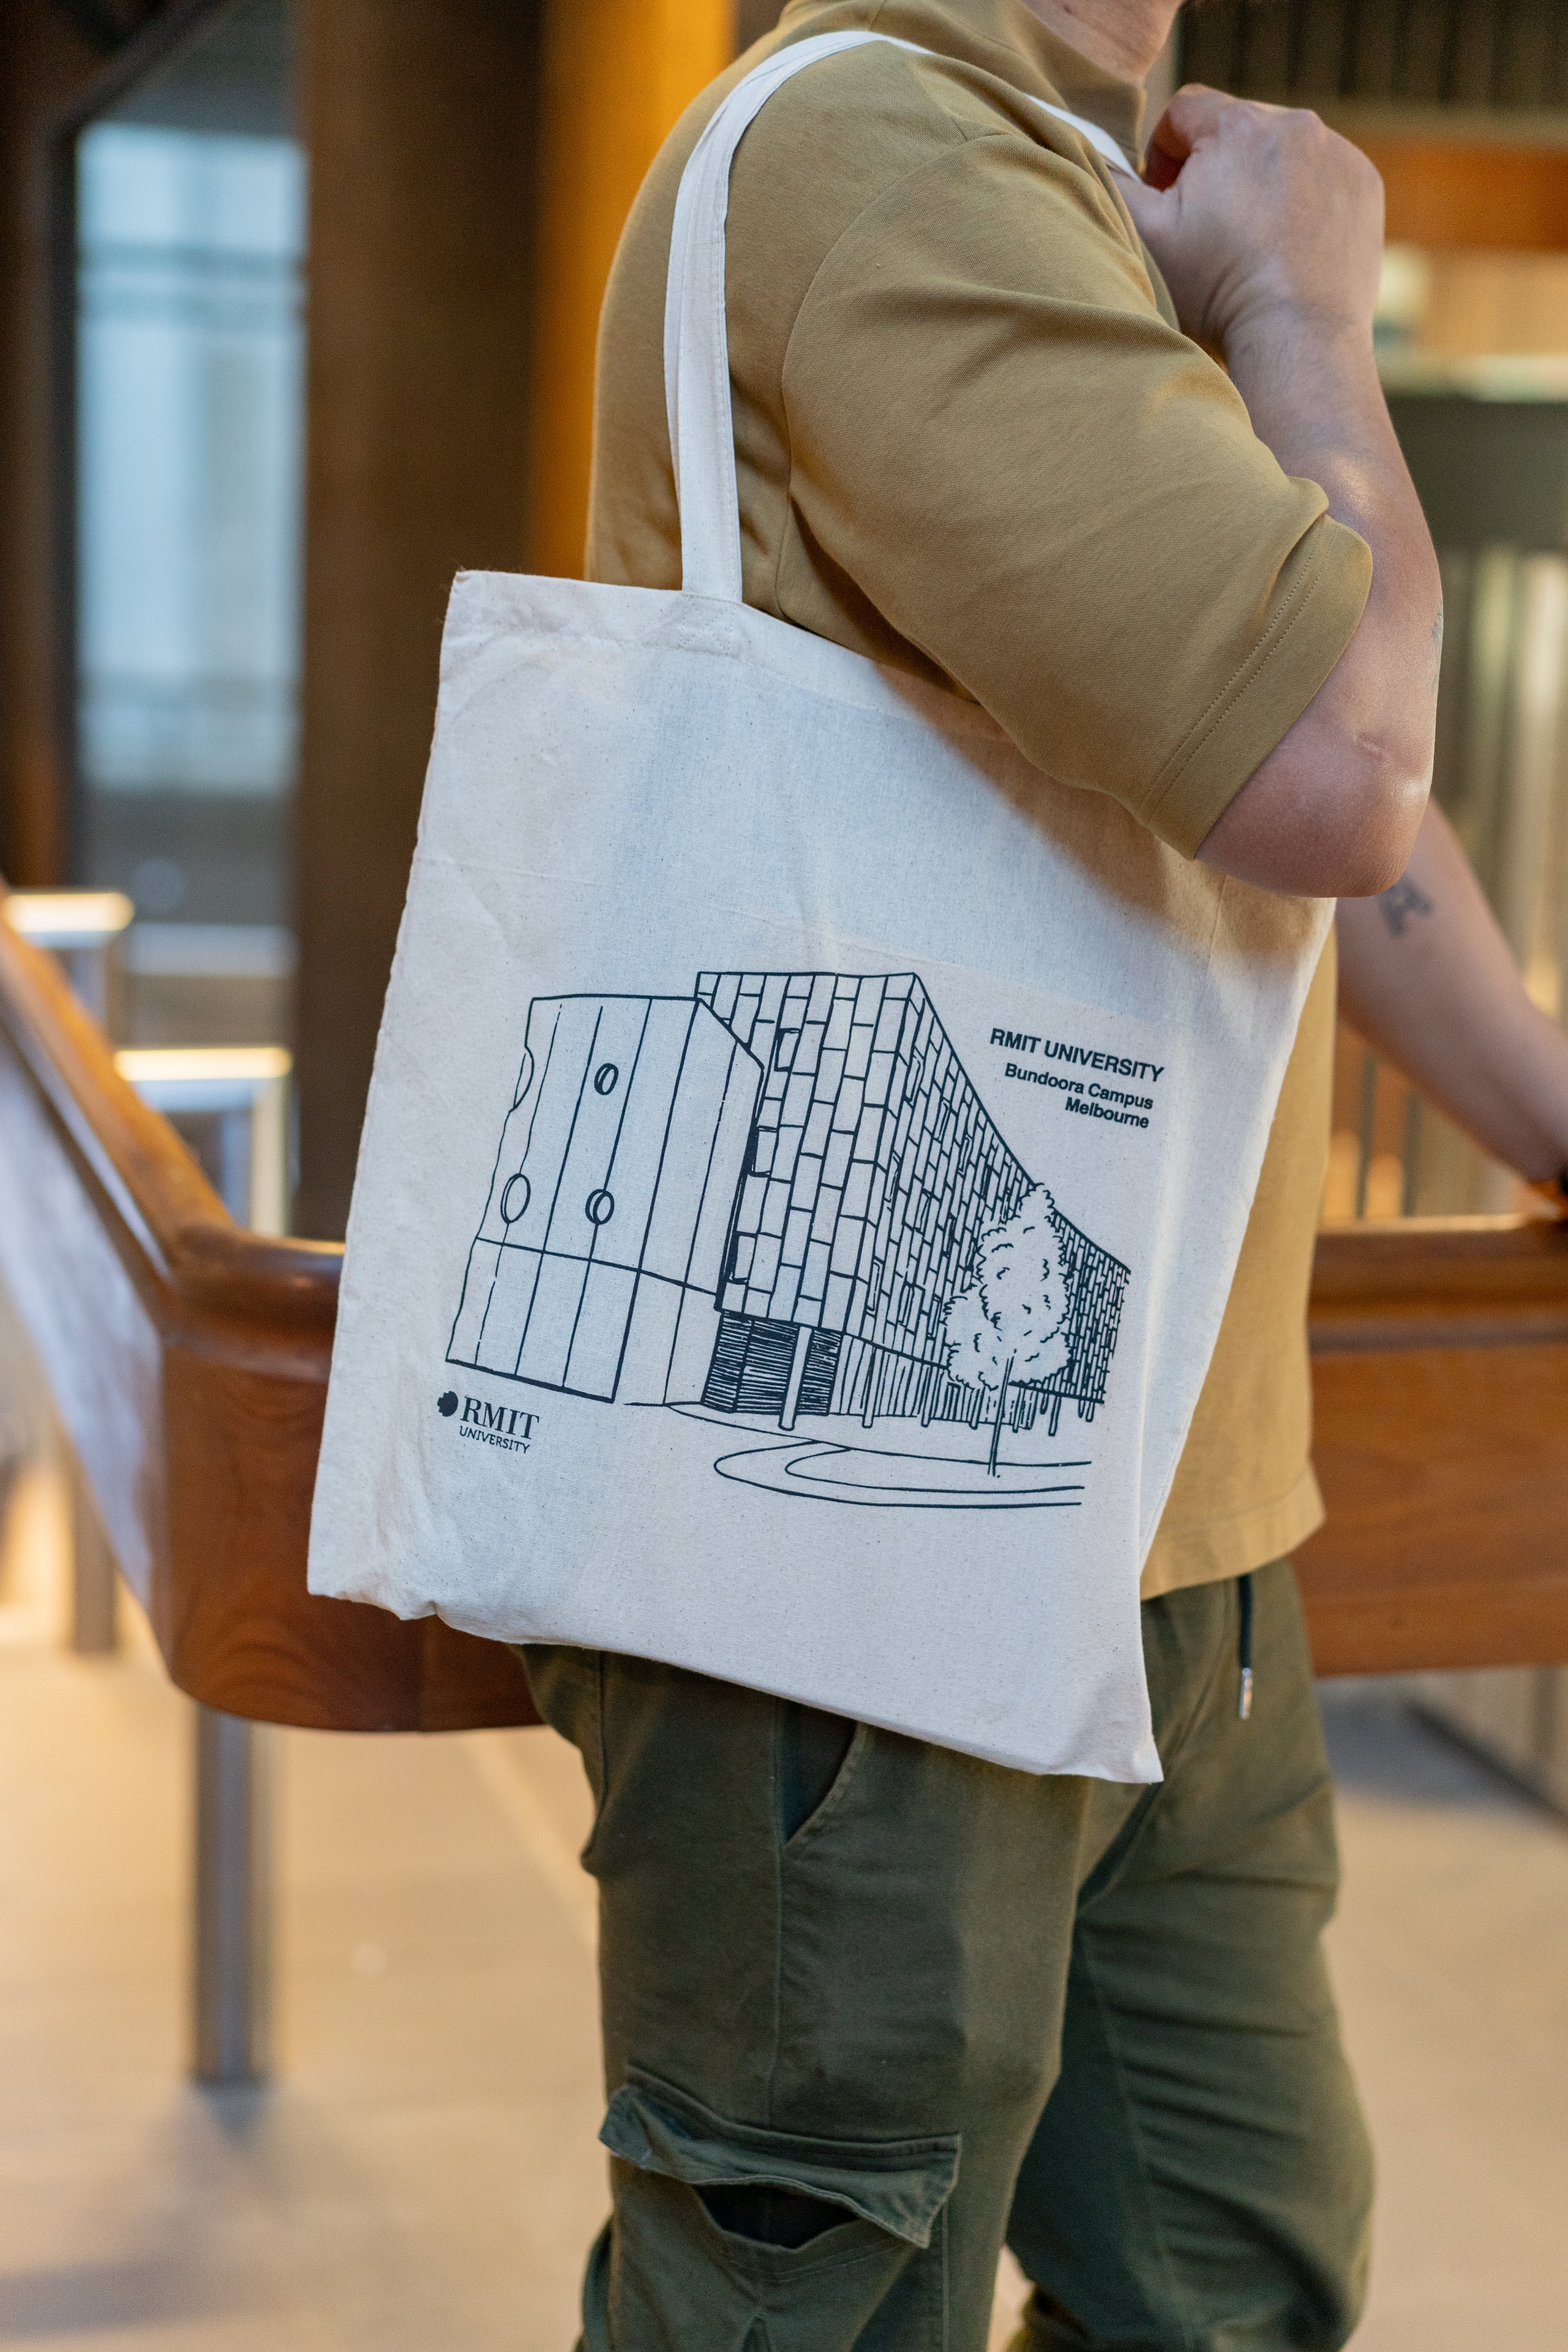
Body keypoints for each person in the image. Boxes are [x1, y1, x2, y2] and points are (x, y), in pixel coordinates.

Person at [521, 4, 1568, 2346]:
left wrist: (1544, 1110)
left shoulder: (1099, 184)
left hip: (1182, 1521)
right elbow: (1336, 758)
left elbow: (1278, 818)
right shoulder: (887, 145)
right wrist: (1306, 304)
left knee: (1234, 2276)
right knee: (812, 2303)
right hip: (857, 1546)